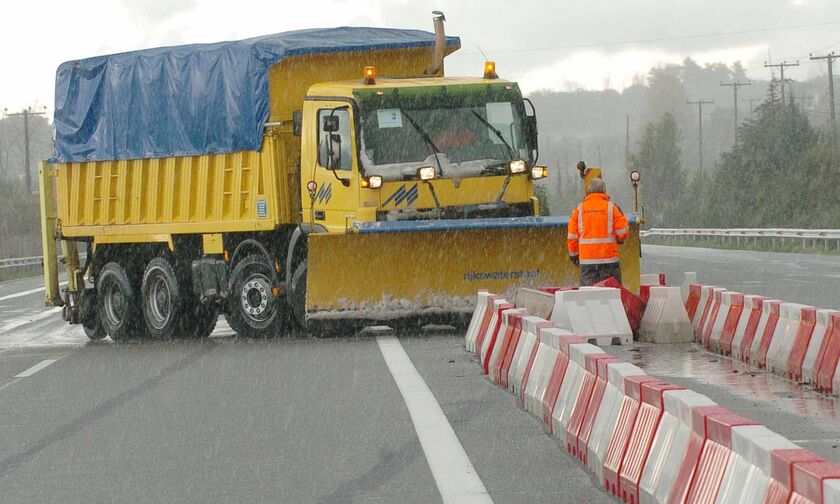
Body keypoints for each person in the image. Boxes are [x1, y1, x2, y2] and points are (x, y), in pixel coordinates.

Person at [567, 178, 630, 286]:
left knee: (588, 295)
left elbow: (572, 237)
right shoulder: (612, 208)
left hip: (587, 263)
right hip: (609, 262)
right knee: (611, 294)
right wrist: (620, 240)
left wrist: (574, 256)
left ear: (588, 191)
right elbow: (622, 232)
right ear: (604, 191)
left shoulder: (579, 210)